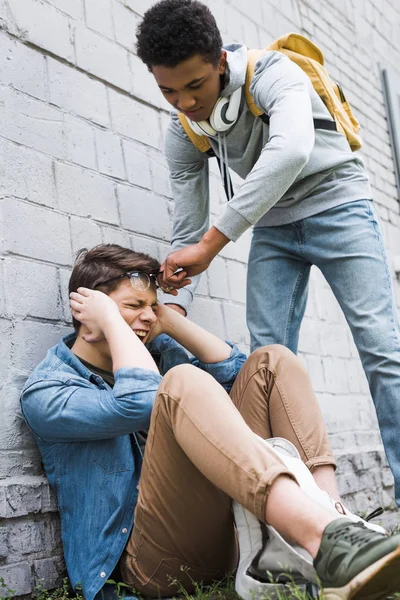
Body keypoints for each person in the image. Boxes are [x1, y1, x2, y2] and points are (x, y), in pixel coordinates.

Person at [20, 244, 400, 600]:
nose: (149, 316)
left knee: (272, 361)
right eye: (135, 305)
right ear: (89, 307)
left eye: (153, 306)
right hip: (146, 562)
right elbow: (139, 401)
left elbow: (238, 376)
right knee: (181, 381)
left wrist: (170, 322)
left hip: (223, 532)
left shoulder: (158, 349)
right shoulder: (49, 392)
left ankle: (338, 520)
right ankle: (320, 537)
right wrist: (111, 322)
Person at [135, 0, 400, 505]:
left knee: (382, 351)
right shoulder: (184, 130)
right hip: (273, 225)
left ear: (219, 62)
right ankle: (303, 507)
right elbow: (188, 224)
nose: (185, 103)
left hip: (338, 202)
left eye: (195, 86)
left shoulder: (275, 72)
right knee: (268, 361)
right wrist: (170, 303)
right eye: (169, 90)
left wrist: (213, 244)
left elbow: (293, 149)